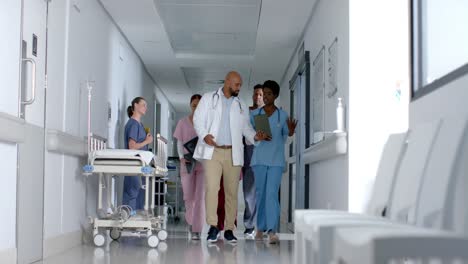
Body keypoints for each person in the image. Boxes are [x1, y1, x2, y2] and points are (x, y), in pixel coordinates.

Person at [193, 71, 270, 243]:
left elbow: (246, 128)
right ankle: (213, 227)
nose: (239, 88)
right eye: (237, 84)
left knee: (232, 193)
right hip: (213, 151)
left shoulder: (240, 104)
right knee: (212, 189)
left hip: (233, 152)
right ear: (228, 82)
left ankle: (229, 229)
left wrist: (255, 137)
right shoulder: (208, 98)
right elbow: (198, 119)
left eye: (241, 85)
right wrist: (204, 135)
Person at [250, 80, 297, 244]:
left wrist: (291, 132)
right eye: (264, 94)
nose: (266, 97)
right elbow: (249, 138)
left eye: (269, 94)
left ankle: (272, 231)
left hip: (276, 161)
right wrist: (256, 136)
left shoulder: (282, 115)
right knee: (261, 194)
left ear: (276, 95)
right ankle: (260, 228)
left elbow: (285, 139)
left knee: (271, 194)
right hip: (259, 160)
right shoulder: (255, 115)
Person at [173, 94, 205, 240]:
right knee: (188, 197)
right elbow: (179, 142)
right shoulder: (182, 122)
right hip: (186, 161)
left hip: (202, 162)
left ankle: (197, 229)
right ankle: (191, 222)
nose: (196, 107)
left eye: (199, 105)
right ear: (190, 105)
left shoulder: (206, 123)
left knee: (200, 197)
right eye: (194, 105)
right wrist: (180, 157)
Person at [122, 97, 153, 213]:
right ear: (135, 105)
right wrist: (147, 142)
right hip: (134, 164)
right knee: (132, 193)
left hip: (139, 165)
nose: (146, 108)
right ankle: (129, 222)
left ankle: (134, 222)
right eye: (143, 105)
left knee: (137, 193)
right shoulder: (134, 124)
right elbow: (132, 146)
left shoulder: (139, 124)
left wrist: (146, 139)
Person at [242, 84, 264, 239]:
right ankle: (249, 225)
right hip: (248, 153)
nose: (258, 97)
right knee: (249, 193)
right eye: (256, 94)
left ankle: (260, 226)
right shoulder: (246, 112)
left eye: (261, 94)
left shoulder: (267, 113)